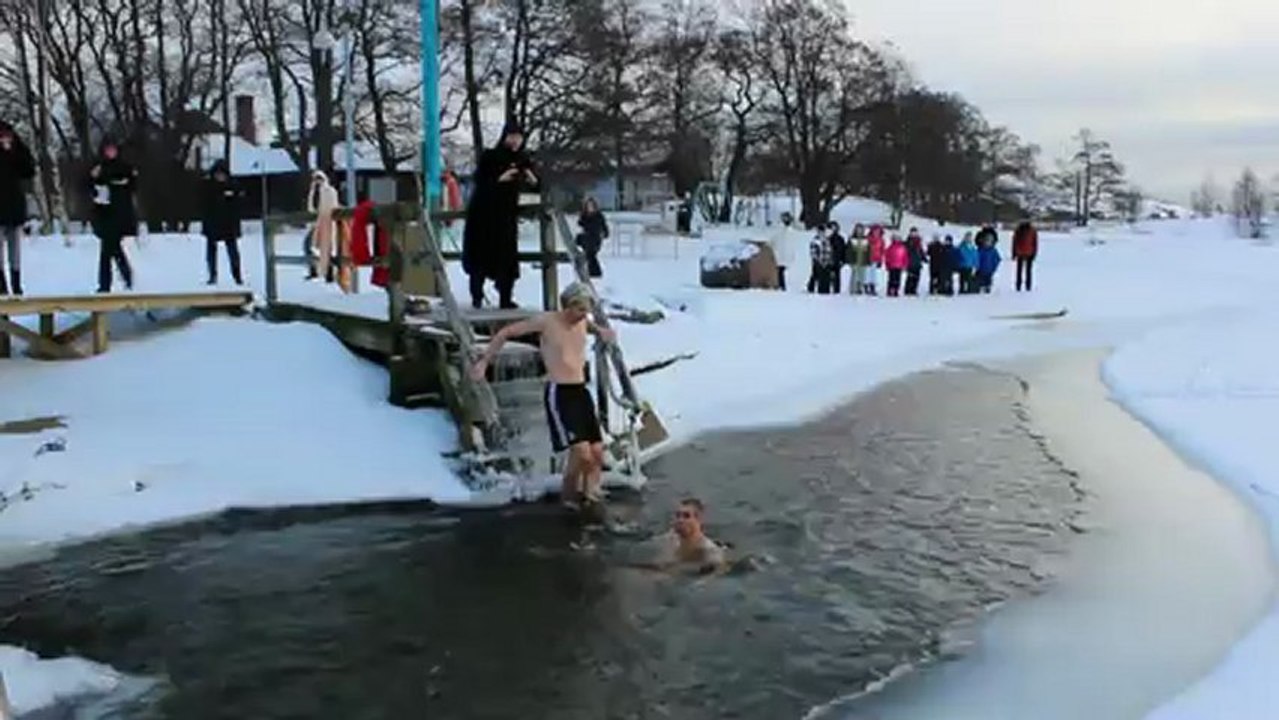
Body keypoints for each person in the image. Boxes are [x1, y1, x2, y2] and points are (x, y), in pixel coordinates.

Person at [470, 282, 614, 509]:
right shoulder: (547, 322)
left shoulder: (583, 321)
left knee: (596, 453)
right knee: (581, 453)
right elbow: (506, 332)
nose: (583, 316)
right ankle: (568, 501)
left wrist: (602, 332)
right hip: (560, 392)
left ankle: (591, 500)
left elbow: (590, 326)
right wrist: (484, 361)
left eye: (586, 311)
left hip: (581, 391)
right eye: (579, 310)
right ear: (568, 306)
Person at [463, 121, 538, 309]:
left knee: (507, 258)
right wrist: (499, 179)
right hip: (484, 216)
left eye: (519, 137)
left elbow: (537, 186)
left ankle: (505, 298)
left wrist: (533, 180)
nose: (515, 141)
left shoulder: (524, 160)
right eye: (512, 136)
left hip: (506, 217)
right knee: (480, 258)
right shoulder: (491, 156)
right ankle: (477, 297)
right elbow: (480, 181)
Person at [89, 140, 137, 293]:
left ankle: (107, 284)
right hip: (104, 213)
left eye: (113, 150)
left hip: (119, 214)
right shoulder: (99, 168)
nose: (110, 153)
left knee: (108, 249)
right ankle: (123, 277)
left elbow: (132, 186)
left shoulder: (125, 167)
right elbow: (90, 186)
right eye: (107, 150)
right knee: (112, 249)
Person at [643, 498, 727, 574]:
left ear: (699, 520)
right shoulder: (670, 539)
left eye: (686, 516)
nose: (680, 520)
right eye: (678, 515)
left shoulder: (711, 553)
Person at [0, 122, 35, 296]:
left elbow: (29, 170)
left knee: (15, 249)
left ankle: (16, 283)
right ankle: (2, 286)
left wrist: (13, 152)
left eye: (7, 136)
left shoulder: (18, 149)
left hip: (13, 206)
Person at [200, 160, 244, 285]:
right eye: (217, 174)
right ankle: (212, 275)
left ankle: (237, 276)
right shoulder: (208, 187)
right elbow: (203, 205)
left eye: (222, 174)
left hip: (228, 224)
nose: (220, 177)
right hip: (213, 223)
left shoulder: (233, 185)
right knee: (211, 251)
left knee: (233, 252)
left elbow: (238, 205)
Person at [306, 170, 339, 282]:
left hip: (326, 222)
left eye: (319, 178)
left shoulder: (329, 191)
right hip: (315, 223)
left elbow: (332, 205)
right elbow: (311, 207)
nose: (317, 181)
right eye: (315, 179)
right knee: (310, 246)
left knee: (327, 248)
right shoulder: (313, 191)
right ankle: (314, 270)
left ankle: (330, 272)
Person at [576, 197, 608, 278]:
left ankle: (595, 273)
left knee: (591, 254)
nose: (590, 208)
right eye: (588, 206)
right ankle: (593, 272)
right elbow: (580, 223)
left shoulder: (599, 216)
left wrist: (605, 233)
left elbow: (604, 226)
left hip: (595, 238)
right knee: (589, 255)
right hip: (587, 238)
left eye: (591, 206)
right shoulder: (584, 216)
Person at [1012, 220, 1039, 292]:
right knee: (1028, 271)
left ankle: (1019, 286)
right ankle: (1028, 286)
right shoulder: (1032, 230)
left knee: (1019, 271)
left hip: (1020, 252)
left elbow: (1014, 242)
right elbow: (1035, 242)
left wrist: (1014, 253)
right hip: (1029, 252)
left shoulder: (1018, 230)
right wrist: (1034, 253)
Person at [807, 227, 833, 294]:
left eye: (823, 231)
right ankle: (815, 289)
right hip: (818, 262)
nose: (821, 233)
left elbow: (830, 250)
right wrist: (816, 260)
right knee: (818, 276)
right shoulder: (815, 240)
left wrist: (830, 259)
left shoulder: (827, 240)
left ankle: (826, 290)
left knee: (826, 277)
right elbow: (813, 251)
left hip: (827, 261)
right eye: (820, 231)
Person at [904, 228, 926, 296]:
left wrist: (923, 258)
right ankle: (908, 290)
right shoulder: (907, 241)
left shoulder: (919, 242)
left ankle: (914, 289)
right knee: (910, 277)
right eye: (912, 233)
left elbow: (921, 251)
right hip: (910, 262)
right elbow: (905, 251)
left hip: (917, 262)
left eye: (915, 233)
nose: (914, 234)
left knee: (917, 277)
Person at [826, 222, 847, 294]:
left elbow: (844, 250)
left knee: (837, 276)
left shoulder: (840, 239)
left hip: (837, 260)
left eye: (835, 227)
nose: (833, 229)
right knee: (827, 275)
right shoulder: (827, 238)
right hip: (828, 260)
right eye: (832, 228)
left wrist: (843, 260)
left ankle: (836, 290)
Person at [866, 224, 886, 296]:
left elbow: (882, 250)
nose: (876, 232)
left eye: (878, 231)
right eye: (875, 231)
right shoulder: (868, 238)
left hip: (876, 258)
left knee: (874, 274)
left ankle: (872, 286)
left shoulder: (881, 240)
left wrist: (881, 260)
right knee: (867, 273)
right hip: (868, 258)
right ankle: (866, 286)